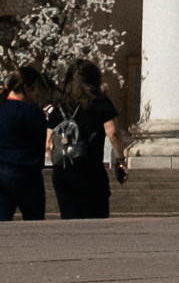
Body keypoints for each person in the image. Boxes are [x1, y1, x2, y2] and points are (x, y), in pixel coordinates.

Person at [48, 61, 121, 218]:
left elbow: (48, 143)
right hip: (91, 172)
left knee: (69, 220)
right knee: (96, 221)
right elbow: (113, 132)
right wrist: (120, 160)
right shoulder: (101, 103)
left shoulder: (59, 107)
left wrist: (60, 160)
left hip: (64, 174)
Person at [0, 67, 49, 221]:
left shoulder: (3, 109)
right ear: (26, 88)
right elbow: (40, 145)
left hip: (2, 170)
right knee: (34, 221)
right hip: (28, 173)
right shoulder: (34, 113)